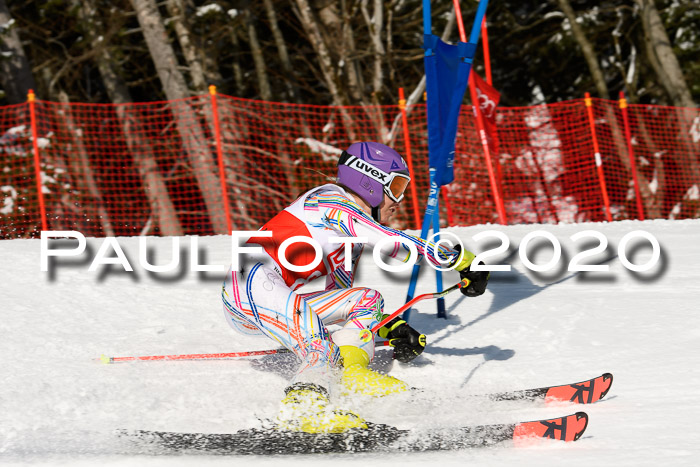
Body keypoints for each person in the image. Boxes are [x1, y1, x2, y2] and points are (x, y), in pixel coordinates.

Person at [221, 141, 489, 433]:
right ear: (370, 181)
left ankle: (353, 375)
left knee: (367, 300)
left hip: (273, 299)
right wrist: (460, 260)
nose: (398, 200)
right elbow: (390, 241)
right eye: (396, 187)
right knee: (319, 346)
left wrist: (388, 327)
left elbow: (339, 294)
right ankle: (303, 413)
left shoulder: (351, 236)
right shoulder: (329, 203)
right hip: (248, 283)